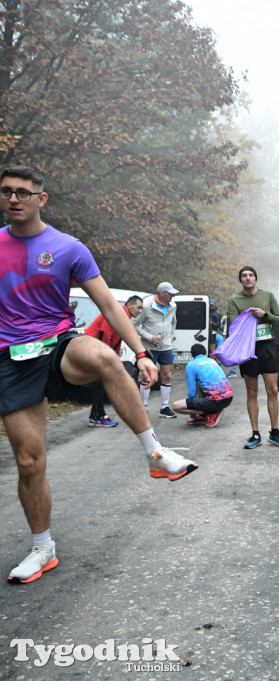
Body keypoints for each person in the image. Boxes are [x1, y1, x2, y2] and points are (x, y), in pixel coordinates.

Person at [0, 165, 198, 585]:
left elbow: (110, 306)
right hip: (12, 361)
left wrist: (142, 353)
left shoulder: (68, 248)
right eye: (6, 192)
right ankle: (42, 548)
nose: (13, 199)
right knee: (29, 462)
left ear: (41, 198)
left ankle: (155, 453)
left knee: (106, 358)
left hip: (58, 346)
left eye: (22, 192)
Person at [226, 265, 279, 450]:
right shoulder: (234, 300)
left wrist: (265, 315)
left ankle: (275, 432)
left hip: (268, 347)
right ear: (240, 280)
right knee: (252, 392)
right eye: (244, 276)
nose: (248, 278)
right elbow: (233, 327)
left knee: (272, 389)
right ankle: (255, 434)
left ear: (255, 278)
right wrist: (246, 319)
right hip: (248, 349)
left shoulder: (267, 296)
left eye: (251, 275)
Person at [83, 294, 143, 427]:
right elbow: (105, 335)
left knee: (100, 383)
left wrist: (114, 359)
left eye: (141, 309)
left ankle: (95, 416)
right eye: (138, 307)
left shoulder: (123, 317)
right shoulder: (116, 314)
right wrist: (106, 358)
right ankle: (99, 416)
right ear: (129, 305)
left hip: (99, 351)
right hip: (93, 349)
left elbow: (117, 340)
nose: (140, 311)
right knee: (98, 383)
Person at [132, 281, 179, 417]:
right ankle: (143, 407)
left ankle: (164, 408)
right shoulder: (146, 306)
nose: (173, 296)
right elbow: (134, 324)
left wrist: (169, 338)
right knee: (147, 376)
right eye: (170, 294)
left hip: (166, 347)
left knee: (167, 375)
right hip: (149, 347)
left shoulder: (173, 306)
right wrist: (149, 337)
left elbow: (173, 322)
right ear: (162, 294)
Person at [172, 343, 233, 427]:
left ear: (192, 355)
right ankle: (206, 415)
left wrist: (193, 414)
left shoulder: (191, 365)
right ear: (206, 353)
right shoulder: (212, 361)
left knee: (176, 406)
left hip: (215, 401)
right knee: (199, 382)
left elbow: (192, 393)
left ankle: (210, 413)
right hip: (228, 398)